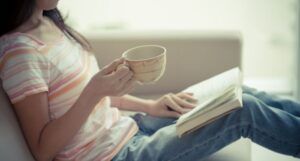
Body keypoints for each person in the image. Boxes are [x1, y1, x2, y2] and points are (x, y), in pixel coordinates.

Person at [0, 0, 299, 161]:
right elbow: (42, 150)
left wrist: (153, 105)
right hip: (118, 156)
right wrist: (93, 91)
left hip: (132, 128)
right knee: (243, 110)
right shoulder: (18, 53)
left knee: (235, 92)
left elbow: (95, 98)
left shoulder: (51, 23)